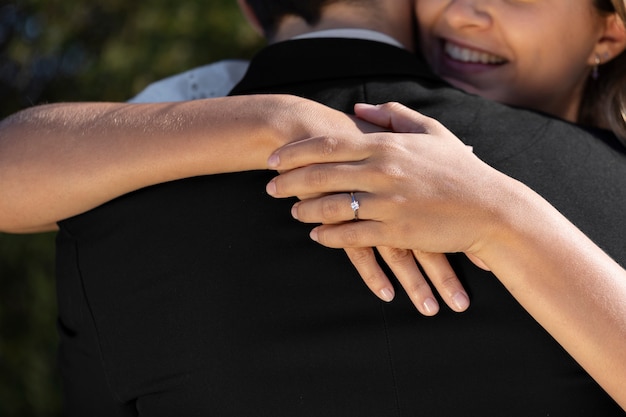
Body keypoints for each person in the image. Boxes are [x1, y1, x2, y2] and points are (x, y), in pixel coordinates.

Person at [0, 0, 625, 413]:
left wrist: (501, 217)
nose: (465, 13)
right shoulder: (608, 178)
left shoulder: (113, 212)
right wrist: (278, 121)